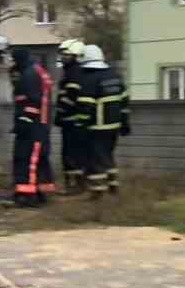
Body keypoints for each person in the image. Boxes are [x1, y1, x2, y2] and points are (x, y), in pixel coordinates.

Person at [73, 43, 129, 195]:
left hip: (97, 127)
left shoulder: (89, 79)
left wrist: (80, 124)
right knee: (108, 156)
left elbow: (85, 105)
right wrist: (125, 122)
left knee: (95, 159)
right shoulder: (115, 76)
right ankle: (113, 187)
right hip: (114, 126)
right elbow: (124, 101)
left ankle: (98, 192)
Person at [8, 46, 56, 207]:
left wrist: (24, 121)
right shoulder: (35, 70)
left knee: (28, 160)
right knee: (38, 159)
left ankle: (29, 196)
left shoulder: (29, 75)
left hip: (33, 126)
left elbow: (32, 101)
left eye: (13, 60)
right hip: (38, 124)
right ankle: (40, 192)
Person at [53, 38, 88, 195]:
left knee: (71, 154)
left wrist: (60, 112)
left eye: (66, 55)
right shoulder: (71, 71)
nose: (63, 57)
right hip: (71, 121)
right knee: (72, 154)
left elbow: (71, 97)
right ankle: (74, 184)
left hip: (72, 121)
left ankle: (75, 186)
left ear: (76, 56)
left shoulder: (74, 72)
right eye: (62, 55)